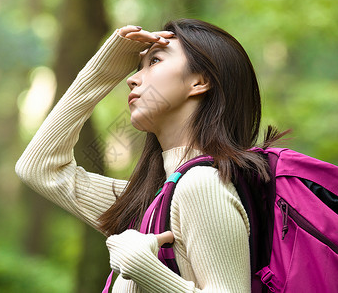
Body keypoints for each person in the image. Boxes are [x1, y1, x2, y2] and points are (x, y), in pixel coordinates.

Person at [16, 18, 281, 292]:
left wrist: (144, 268)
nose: (131, 79)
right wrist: (105, 69)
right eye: (136, 67)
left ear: (200, 81)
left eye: (154, 61)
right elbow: (39, 168)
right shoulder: (151, 201)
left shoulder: (202, 185)